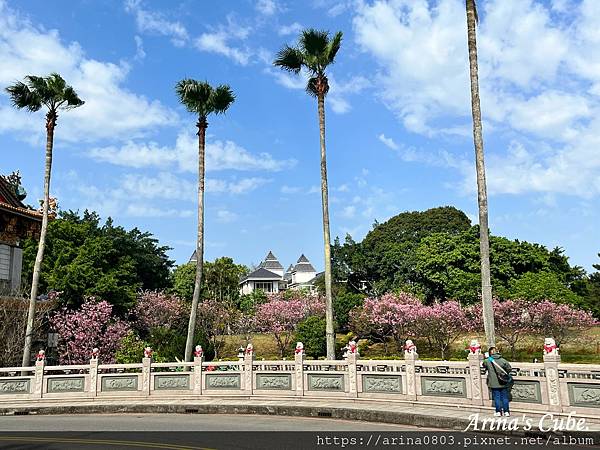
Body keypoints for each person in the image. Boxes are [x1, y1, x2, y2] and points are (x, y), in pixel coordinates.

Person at [483, 346, 512, 417]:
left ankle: (498, 411)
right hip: (503, 381)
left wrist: (486, 357)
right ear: (497, 352)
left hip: (493, 382)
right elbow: (509, 368)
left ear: (490, 353)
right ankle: (506, 412)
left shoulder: (488, 361)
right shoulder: (503, 360)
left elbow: (483, 365)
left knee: (497, 397)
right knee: (505, 397)